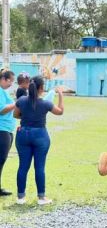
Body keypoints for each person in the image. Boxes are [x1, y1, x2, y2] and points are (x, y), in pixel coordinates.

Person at [13, 75, 64, 205]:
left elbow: (15, 115)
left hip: (23, 134)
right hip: (40, 135)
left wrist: (27, 118)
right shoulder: (46, 103)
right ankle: (41, 197)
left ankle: (20, 197)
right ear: (42, 88)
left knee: (23, 166)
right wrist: (61, 95)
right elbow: (60, 112)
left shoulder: (21, 100)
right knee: (39, 167)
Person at [0, 69, 16, 196]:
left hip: (7, 130)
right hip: (2, 130)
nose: (12, 84)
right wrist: (16, 104)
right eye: (11, 81)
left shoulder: (3, 92)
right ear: (4, 79)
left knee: (2, 160)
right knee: (0, 159)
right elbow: (2, 110)